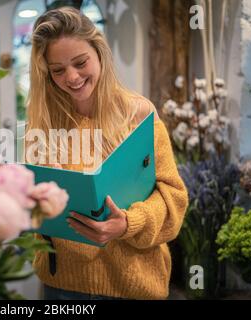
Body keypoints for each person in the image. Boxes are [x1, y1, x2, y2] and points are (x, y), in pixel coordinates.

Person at [25, 7, 189, 300]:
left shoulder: (138, 115)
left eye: (80, 62)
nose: (72, 77)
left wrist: (128, 223)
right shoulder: (43, 123)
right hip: (63, 286)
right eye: (58, 70)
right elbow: (34, 216)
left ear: (99, 52)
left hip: (135, 285)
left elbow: (173, 202)